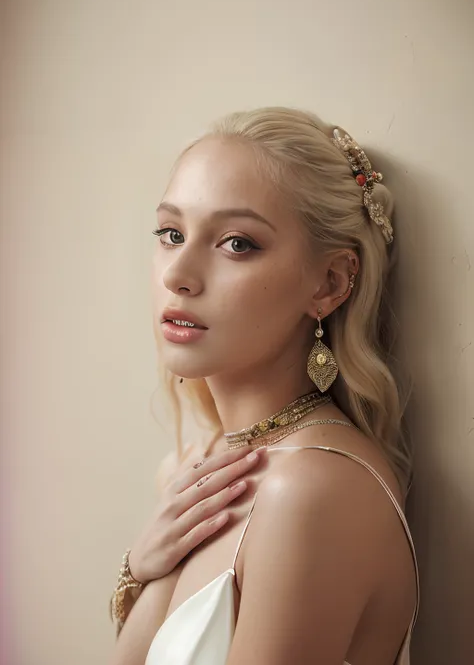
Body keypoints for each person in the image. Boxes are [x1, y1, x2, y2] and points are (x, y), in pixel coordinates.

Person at [109, 107, 419, 665]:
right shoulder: (195, 468)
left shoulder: (311, 491)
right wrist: (142, 571)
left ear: (329, 283)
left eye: (236, 244)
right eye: (171, 232)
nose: (178, 273)